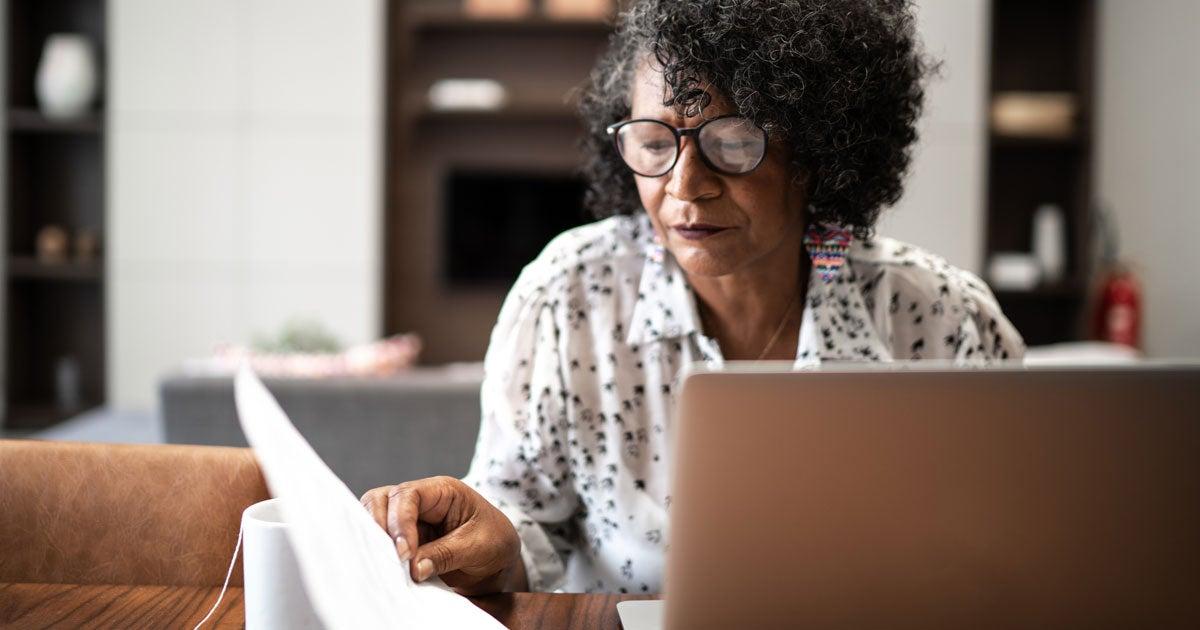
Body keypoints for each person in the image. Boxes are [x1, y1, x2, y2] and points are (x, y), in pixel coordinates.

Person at [361, 0, 1024, 595]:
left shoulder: (941, 320)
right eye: (654, 142)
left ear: (818, 151)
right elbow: (524, 531)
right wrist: (490, 542)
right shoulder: (569, 297)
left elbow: (1009, 556)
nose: (684, 186)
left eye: (732, 144)